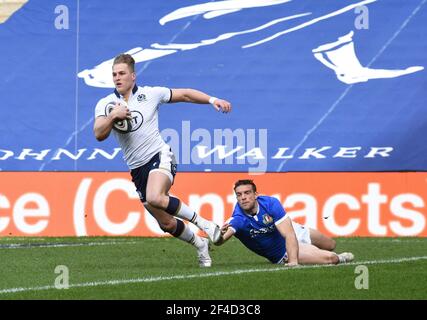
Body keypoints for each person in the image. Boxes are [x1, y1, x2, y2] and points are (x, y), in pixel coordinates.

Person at [93, 53, 232, 267]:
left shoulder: (151, 94)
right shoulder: (106, 104)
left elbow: (184, 94)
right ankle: (200, 244)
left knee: (156, 197)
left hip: (159, 155)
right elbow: (98, 134)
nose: (117, 78)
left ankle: (205, 224)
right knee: (166, 223)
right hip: (137, 168)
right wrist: (113, 116)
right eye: (114, 74)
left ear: (133, 76)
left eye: (122, 73)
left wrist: (212, 100)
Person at [216, 179, 354, 266]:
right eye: (239, 195)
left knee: (330, 244)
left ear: (256, 194)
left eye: (247, 193)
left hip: (291, 231)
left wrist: (294, 260)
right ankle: (339, 258)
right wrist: (219, 236)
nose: (243, 198)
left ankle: (316, 253)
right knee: (331, 259)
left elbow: (288, 233)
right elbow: (220, 240)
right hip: (282, 252)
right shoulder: (238, 219)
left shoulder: (270, 203)